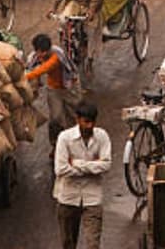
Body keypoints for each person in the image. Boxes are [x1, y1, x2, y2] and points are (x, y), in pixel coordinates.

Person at [53, 101, 111, 249]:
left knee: (93, 244)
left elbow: (106, 165)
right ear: (77, 119)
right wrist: (92, 165)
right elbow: (61, 169)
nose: (89, 126)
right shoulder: (64, 138)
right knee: (68, 243)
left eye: (92, 122)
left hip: (92, 198)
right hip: (68, 198)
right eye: (86, 122)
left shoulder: (102, 136)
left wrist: (77, 163)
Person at [25, 32, 81, 151]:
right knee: (55, 117)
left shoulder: (56, 56)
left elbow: (41, 70)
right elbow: (30, 66)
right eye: (39, 51)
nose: (41, 54)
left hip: (69, 87)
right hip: (54, 89)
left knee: (73, 115)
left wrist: (24, 77)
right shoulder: (35, 56)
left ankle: (75, 143)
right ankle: (56, 144)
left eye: (43, 52)